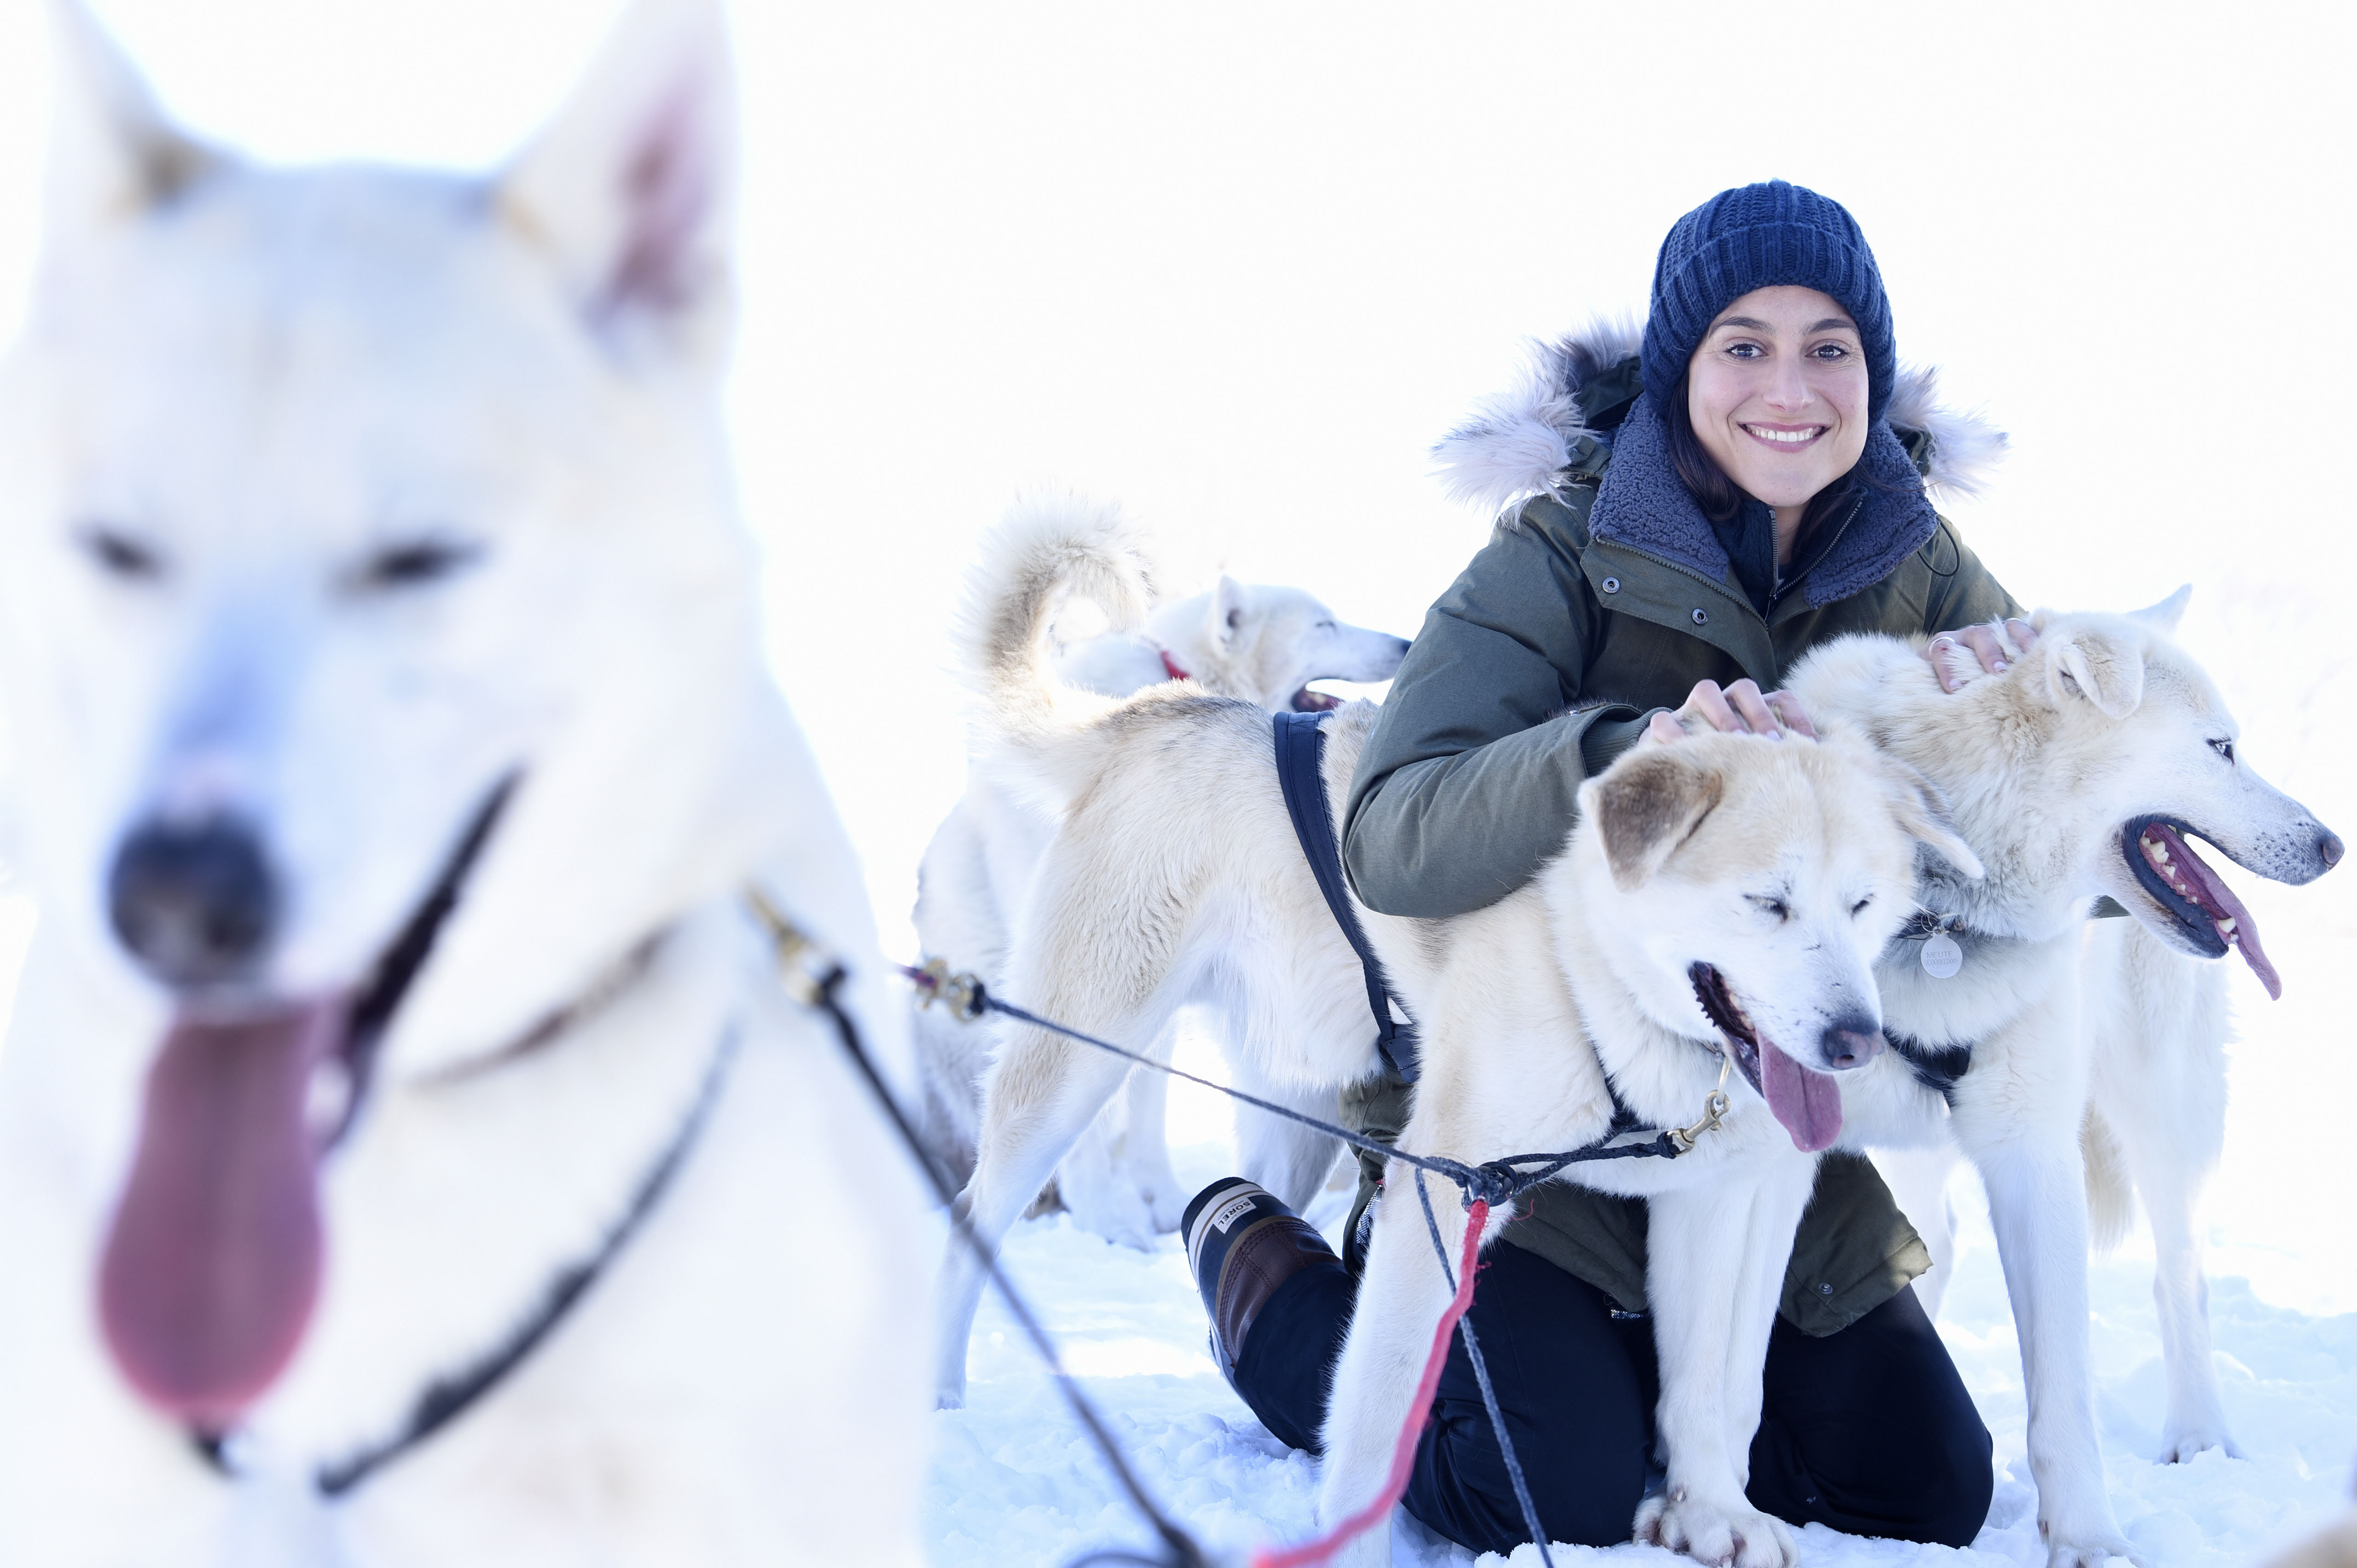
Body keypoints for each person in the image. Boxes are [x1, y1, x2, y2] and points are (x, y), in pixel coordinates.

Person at [1184, 180, 2020, 1556]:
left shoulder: (1921, 564)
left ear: (1873, 371)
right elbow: (1392, 831)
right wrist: (1620, 756)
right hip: (1540, 1122)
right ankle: (1261, 1273)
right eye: (1743, 345)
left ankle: (1631, 1382)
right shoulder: (1565, 550)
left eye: (1830, 349)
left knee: (1921, 1488)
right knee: (1546, 1492)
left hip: (1759, 1110)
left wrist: (2050, 763)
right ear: (1681, 364)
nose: (1789, 387)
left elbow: (2039, 847)